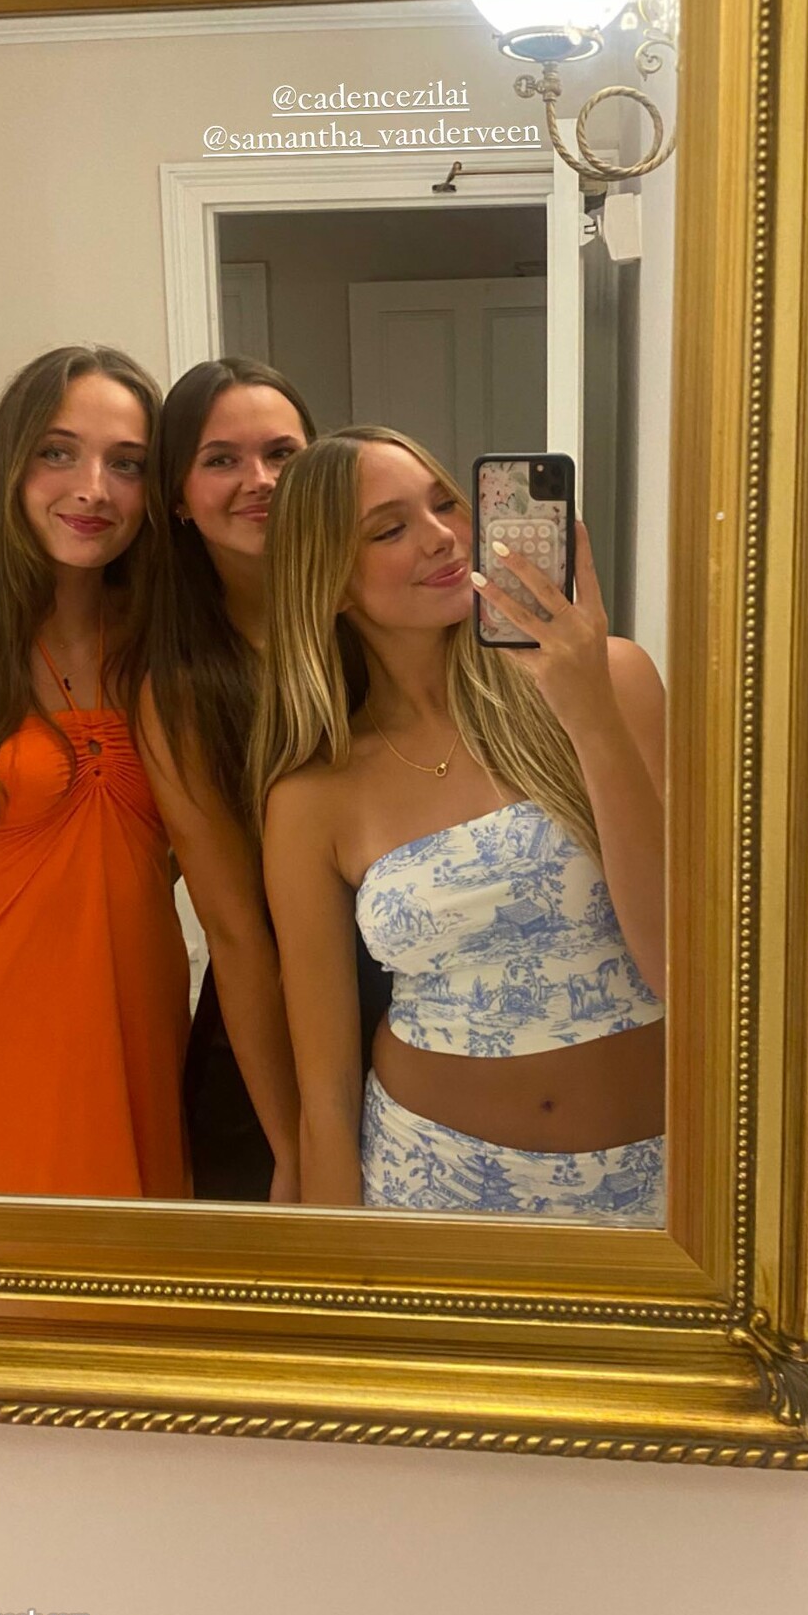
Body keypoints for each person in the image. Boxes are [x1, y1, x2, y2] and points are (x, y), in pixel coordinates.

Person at [250, 426, 667, 1221]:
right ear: (330, 585)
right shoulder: (312, 797)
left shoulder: (616, 679)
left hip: (655, 1182)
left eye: (446, 503)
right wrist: (340, 1277)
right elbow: (325, 1095)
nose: (442, 536)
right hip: (429, 1185)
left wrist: (589, 713)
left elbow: (680, 966)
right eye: (389, 529)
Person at [0, 345, 191, 1199]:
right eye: (59, 452)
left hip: (148, 1048)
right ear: (10, 466)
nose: (93, 489)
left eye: (126, 464)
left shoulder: (162, 644)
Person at [138, 358, 391, 1204]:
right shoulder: (178, 685)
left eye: (283, 453)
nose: (262, 481)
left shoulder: (379, 619)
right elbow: (237, 934)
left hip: (430, 1001)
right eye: (222, 460)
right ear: (178, 496)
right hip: (270, 1043)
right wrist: (293, 1144)